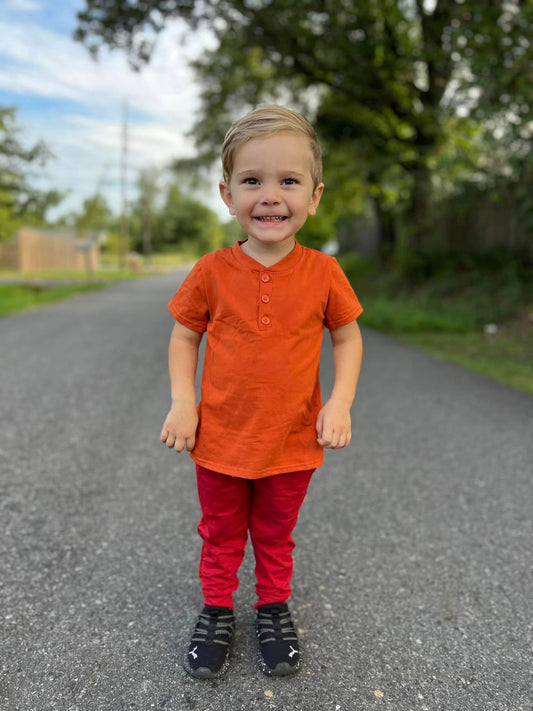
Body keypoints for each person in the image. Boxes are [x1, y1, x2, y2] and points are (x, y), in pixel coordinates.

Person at [160, 105, 363, 679]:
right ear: (227, 194)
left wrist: (340, 401)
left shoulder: (325, 273)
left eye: (288, 181)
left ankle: (272, 607)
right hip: (221, 438)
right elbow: (184, 336)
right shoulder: (210, 271)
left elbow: (347, 339)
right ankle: (217, 610)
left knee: (275, 533)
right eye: (253, 180)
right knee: (221, 533)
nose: (270, 196)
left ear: (315, 196)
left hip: (292, 441)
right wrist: (183, 401)